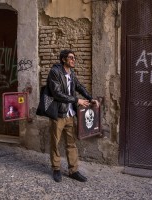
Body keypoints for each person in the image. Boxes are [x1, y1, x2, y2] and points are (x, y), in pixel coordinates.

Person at [47, 49, 99, 182]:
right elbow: (56, 93)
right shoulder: (55, 72)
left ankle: (73, 170)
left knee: (71, 143)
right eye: (71, 58)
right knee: (55, 143)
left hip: (70, 114)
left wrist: (90, 98)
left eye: (74, 58)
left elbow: (79, 86)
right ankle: (56, 169)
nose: (73, 60)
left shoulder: (71, 73)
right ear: (63, 59)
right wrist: (77, 100)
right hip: (58, 114)